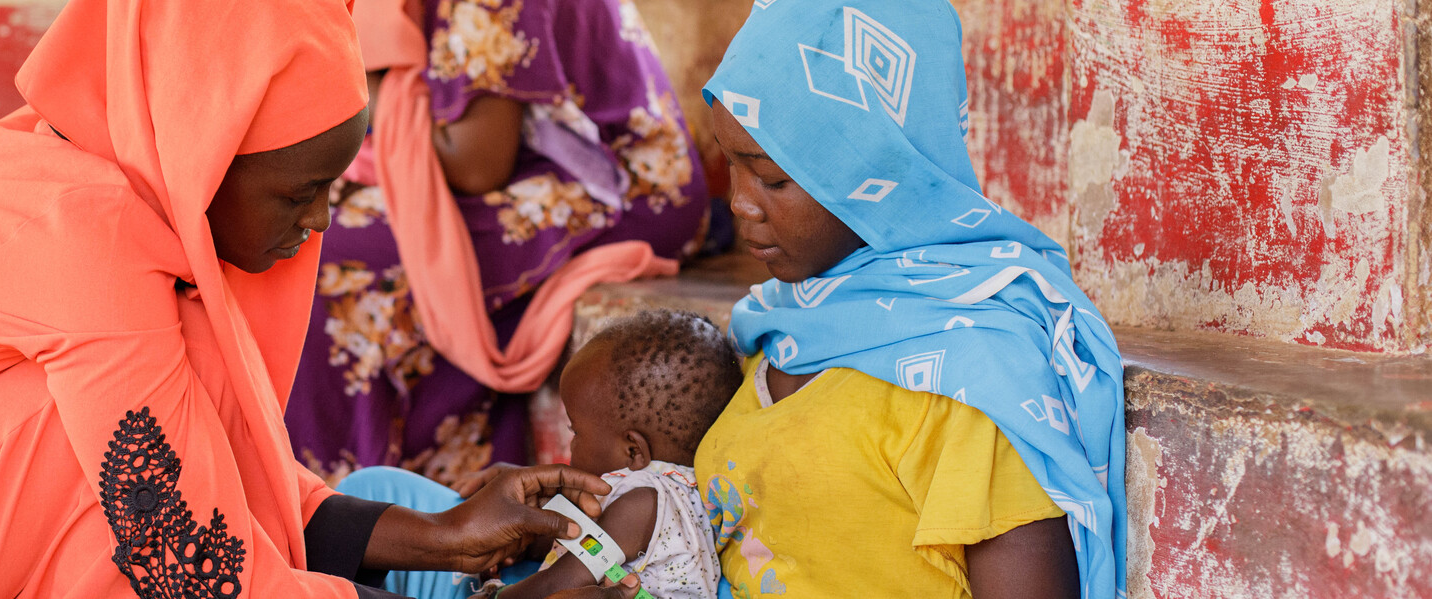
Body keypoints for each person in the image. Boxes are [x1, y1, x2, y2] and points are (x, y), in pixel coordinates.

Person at [0, 1, 640, 598]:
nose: (318, 224)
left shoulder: (99, 176)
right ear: (200, 152)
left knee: (138, 441)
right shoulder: (74, 239)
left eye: (332, 186)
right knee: (111, 458)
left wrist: (438, 533)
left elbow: (196, 463)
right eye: (296, 192)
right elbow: (185, 551)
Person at [695, 0, 1128, 597]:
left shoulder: (970, 371)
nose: (740, 203)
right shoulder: (776, 329)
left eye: (771, 178)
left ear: (875, 172)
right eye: (729, 166)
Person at [288, 0, 712, 486]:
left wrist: (373, 84)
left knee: (335, 256)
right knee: (334, 214)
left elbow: (475, 163)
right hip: (533, 157)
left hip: (627, 186)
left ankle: (343, 501)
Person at [339, 309, 740, 599]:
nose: (571, 446)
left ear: (633, 450)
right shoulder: (678, 494)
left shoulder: (642, 501)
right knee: (368, 491)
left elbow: (559, 584)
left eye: (576, 431)